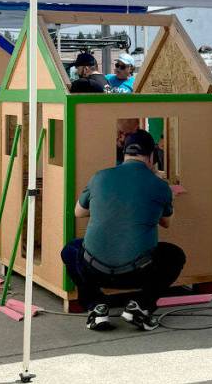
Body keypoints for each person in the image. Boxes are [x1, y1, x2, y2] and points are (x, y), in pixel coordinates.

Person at [60, 129, 186, 332]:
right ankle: (141, 306)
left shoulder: (100, 177)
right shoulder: (160, 186)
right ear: (152, 156)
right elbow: (166, 222)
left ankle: (96, 306)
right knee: (174, 255)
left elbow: (78, 212)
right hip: (137, 273)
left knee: (70, 250)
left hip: (95, 271)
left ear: (124, 153)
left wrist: (108, 205)